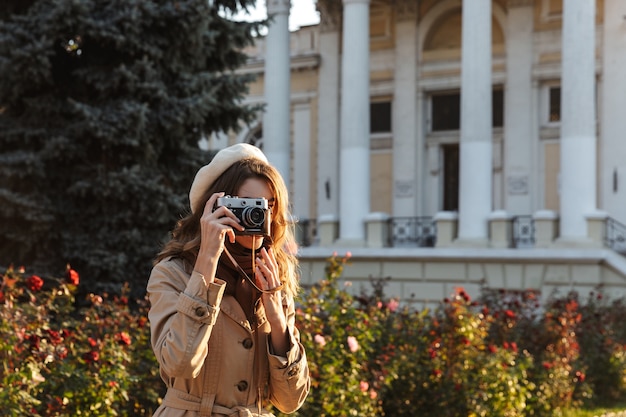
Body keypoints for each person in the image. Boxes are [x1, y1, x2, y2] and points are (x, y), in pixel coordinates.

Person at [147, 143, 310, 417]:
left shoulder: (273, 277)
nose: (259, 216)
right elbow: (179, 365)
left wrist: (277, 320)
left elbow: (290, 400)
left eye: (267, 206)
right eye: (247, 205)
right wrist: (207, 262)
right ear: (216, 206)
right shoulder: (173, 272)